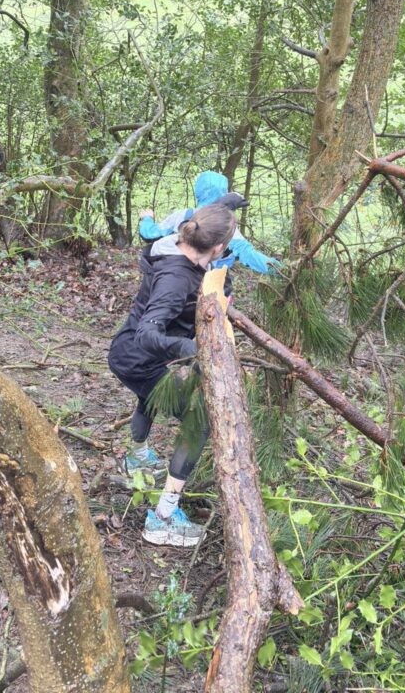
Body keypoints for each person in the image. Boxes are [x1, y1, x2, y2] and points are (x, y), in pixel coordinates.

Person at [108, 202, 237, 548]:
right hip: (138, 357)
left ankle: (136, 460)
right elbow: (148, 333)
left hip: (131, 356)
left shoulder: (181, 253)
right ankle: (163, 519)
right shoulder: (176, 278)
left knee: (149, 396)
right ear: (218, 247)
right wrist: (191, 350)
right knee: (201, 421)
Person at [139, 170, 280, 274]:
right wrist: (280, 270)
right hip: (215, 285)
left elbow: (150, 234)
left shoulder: (183, 215)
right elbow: (248, 254)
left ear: (198, 192)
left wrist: (147, 218)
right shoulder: (223, 223)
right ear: (224, 192)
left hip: (177, 274)